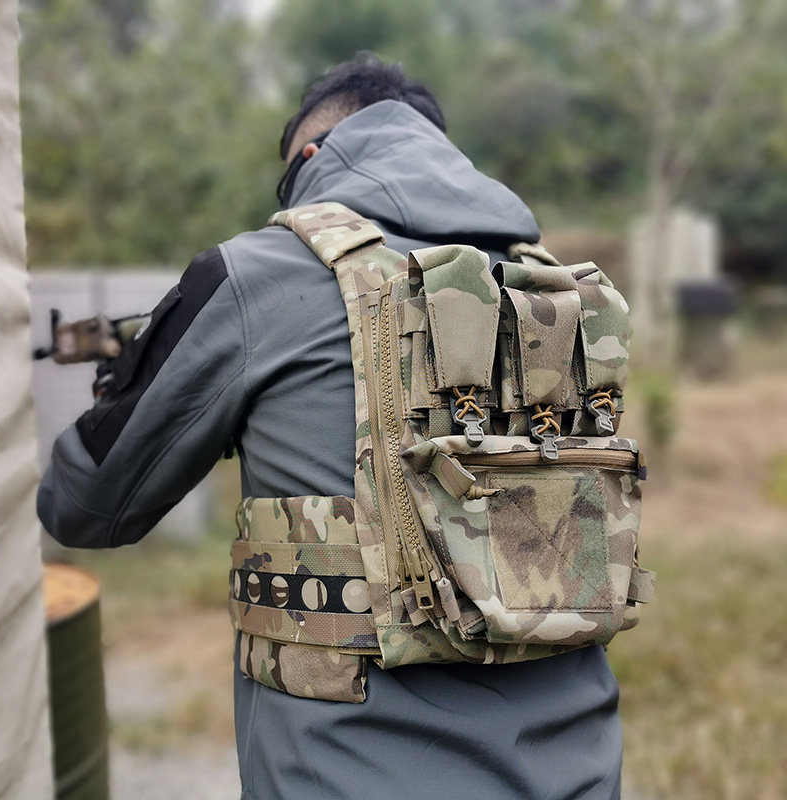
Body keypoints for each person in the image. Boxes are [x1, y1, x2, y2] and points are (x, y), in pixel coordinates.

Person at [38, 53, 623, 800]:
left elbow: (83, 506)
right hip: (583, 773)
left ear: (310, 157)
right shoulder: (561, 295)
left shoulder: (257, 272)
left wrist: (126, 386)